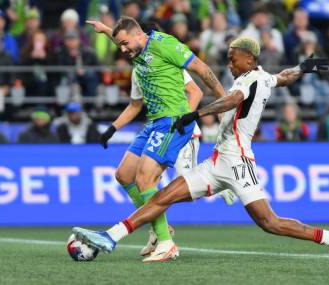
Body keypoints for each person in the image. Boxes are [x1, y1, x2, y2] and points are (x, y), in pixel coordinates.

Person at [73, 36, 329, 261]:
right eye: (228, 59)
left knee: (270, 223)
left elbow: (231, 100)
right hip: (216, 162)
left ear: (249, 60)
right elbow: (284, 77)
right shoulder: (263, 77)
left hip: (239, 163)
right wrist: (303, 67)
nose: (229, 64)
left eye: (233, 59)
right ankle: (111, 236)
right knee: (164, 195)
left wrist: (197, 114)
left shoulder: (250, 80)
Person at [85, 16, 226, 262]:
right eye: (120, 46)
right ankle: (157, 226)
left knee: (145, 179)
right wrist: (106, 30)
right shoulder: (137, 53)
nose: (123, 50)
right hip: (153, 121)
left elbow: (203, 71)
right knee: (124, 174)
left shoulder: (165, 45)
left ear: (140, 35)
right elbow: (134, 101)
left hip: (172, 120)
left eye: (126, 44)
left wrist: (225, 102)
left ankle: (165, 242)